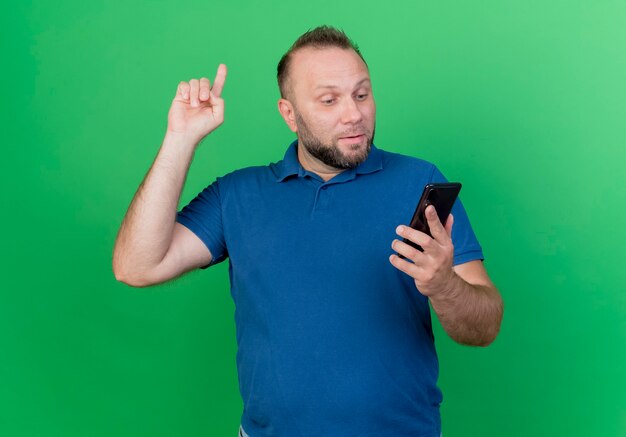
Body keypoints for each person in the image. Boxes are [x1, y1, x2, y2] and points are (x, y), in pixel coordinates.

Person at [113, 25, 503, 437]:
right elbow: (137, 267)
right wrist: (180, 140)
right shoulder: (239, 194)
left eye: (361, 94)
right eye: (329, 100)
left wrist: (444, 284)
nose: (353, 114)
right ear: (289, 114)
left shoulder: (417, 182)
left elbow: (485, 327)